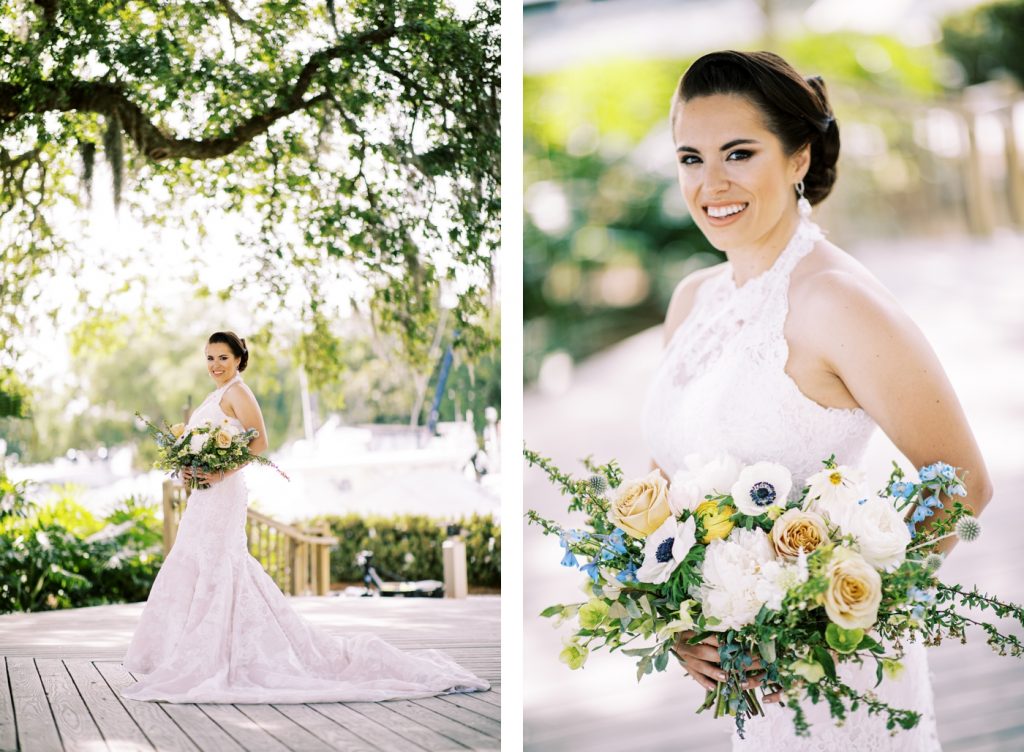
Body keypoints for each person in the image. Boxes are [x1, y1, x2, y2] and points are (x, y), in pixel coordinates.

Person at [640, 51, 992, 751]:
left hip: (839, 679)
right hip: (748, 689)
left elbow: (961, 482)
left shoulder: (834, 299)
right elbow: (666, 482)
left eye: (739, 153)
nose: (711, 183)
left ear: (798, 156)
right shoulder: (692, 301)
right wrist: (674, 620)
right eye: (690, 158)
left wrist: (823, 622)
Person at [122, 331, 489, 703]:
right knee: (196, 562)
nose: (215, 365)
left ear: (238, 359)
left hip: (223, 493)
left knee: (221, 564)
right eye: (210, 358)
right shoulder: (215, 395)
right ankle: (187, 653)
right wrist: (188, 468)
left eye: (223, 358)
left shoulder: (238, 392)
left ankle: (219, 656)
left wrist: (220, 472)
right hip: (204, 496)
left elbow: (259, 442)